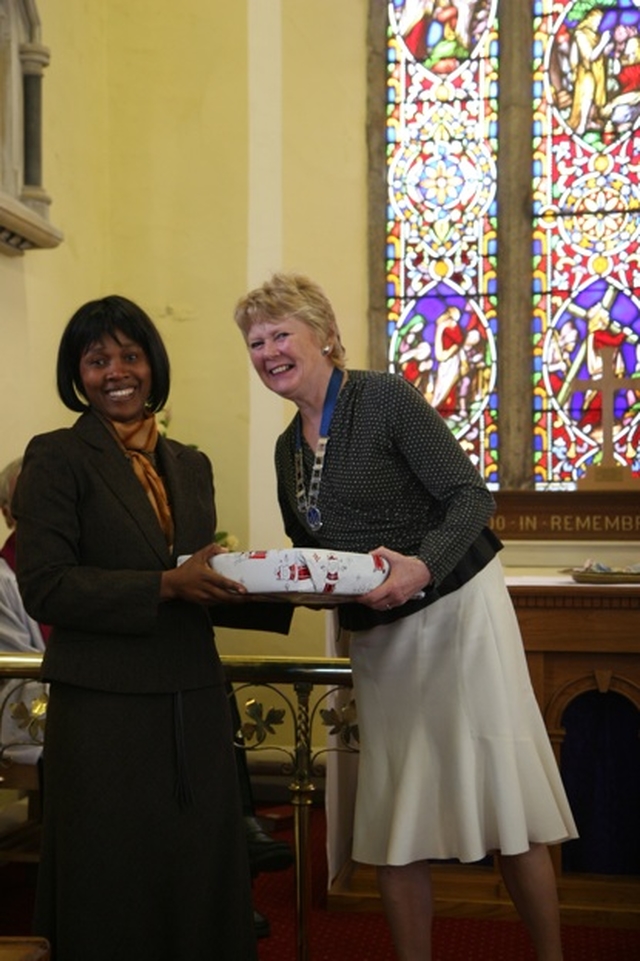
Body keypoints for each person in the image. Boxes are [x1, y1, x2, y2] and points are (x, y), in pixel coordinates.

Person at [233, 272, 579, 961]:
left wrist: (423, 564)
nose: (267, 350)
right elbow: (315, 553)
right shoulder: (285, 449)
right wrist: (270, 584)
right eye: (254, 341)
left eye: (279, 334)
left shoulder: (384, 398)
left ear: (326, 335)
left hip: (459, 612)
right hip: (381, 635)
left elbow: (470, 497)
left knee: (503, 796)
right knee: (395, 810)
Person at [12, 294, 292, 961]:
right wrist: (167, 584)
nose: (117, 370)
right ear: (76, 373)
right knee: (110, 877)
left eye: (130, 355)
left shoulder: (190, 465)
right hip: (104, 704)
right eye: (97, 357)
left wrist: (291, 587)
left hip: (190, 697)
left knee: (197, 870)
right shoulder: (55, 457)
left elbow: (195, 578)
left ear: (152, 364)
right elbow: (45, 584)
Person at [0, 457, 48, 765]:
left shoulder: (83, 571)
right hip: (40, 719)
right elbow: (18, 672)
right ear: (7, 514)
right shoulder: (4, 580)